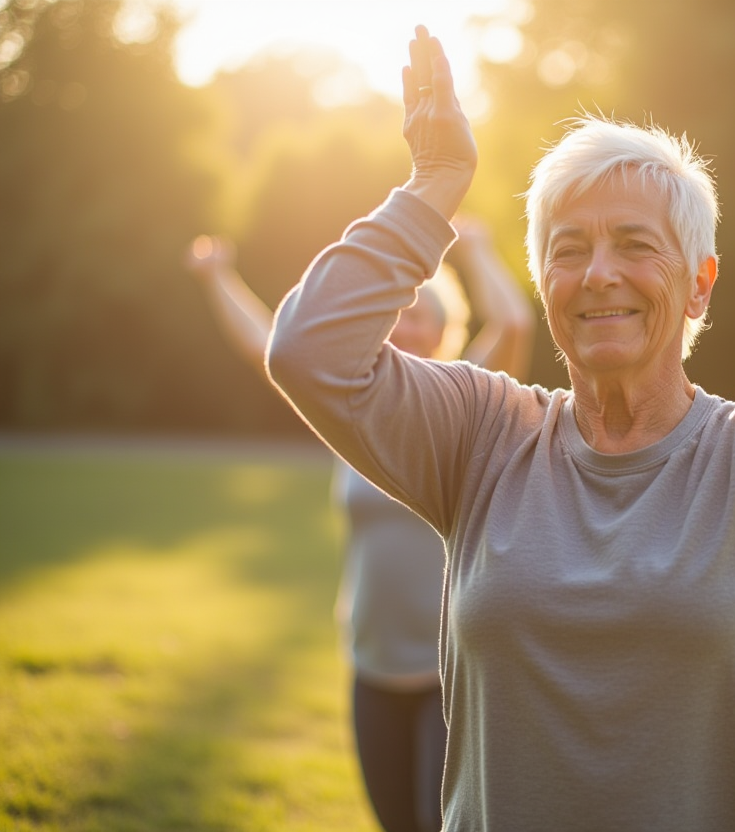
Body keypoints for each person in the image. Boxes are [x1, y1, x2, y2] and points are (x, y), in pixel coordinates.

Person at [266, 22, 735, 831]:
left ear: (700, 284)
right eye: (569, 250)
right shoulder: (481, 435)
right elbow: (309, 351)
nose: (599, 273)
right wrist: (435, 183)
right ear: (545, 283)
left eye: (635, 244)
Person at [184, 219, 535, 832]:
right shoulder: (355, 413)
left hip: (449, 673)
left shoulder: (468, 413)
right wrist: (217, 277)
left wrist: (479, 250)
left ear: (446, 332)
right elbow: (268, 346)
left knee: (438, 820)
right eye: (395, 316)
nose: (405, 328)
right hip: (370, 665)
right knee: (394, 821)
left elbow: (513, 324)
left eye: (419, 317)